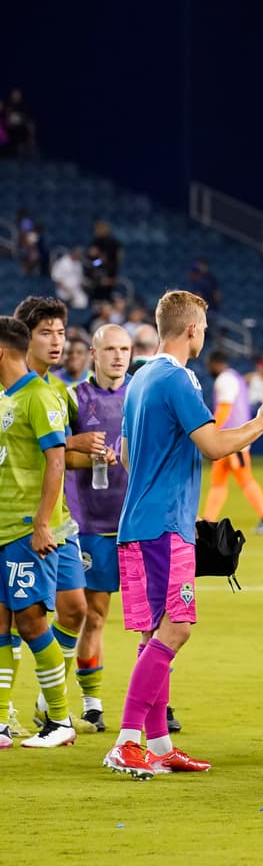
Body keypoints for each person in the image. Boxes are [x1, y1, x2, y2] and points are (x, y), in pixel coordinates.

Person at [102, 290, 263, 778]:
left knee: (154, 635)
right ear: (191, 331)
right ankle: (126, 740)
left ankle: (159, 745)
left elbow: (121, 453)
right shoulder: (178, 378)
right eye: (202, 327)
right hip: (164, 525)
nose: (203, 334)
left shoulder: (140, 378)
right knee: (176, 628)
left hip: (138, 522)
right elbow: (214, 445)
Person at [14, 298, 92, 734]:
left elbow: (59, 458)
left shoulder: (59, 391)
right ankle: (10, 712)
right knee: (18, 619)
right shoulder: (14, 393)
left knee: (75, 610)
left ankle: (49, 698)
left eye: (61, 332)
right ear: (26, 337)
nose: (57, 340)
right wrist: (73, 445)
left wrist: (90, 451)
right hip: (23, 521)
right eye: (47, 332)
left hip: (59, 519)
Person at [0, 316, 79, 749]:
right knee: (1, 626)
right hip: (1, 527)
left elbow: (57, 460)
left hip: (25, 531)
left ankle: (60, 720)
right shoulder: (4, 398)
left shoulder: (39, 396)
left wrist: (43, 524)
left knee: (32, 623)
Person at [62, 325, 131, 733]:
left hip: (135, 522)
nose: (118, 356)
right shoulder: (74, 398)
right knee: (95, 614)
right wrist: (84, 450)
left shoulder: (141, 394)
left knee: (154, 619)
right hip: (90, 524)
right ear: (93, 353)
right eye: (110, 349)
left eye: (124, 349)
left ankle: (159, 702)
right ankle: (91, 704)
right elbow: (55, 451)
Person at [200, 351, 263, 534]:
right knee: (219, 481)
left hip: (232, 441)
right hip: (231, 439)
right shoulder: (235, 378)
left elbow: (225, 410)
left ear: (216, 364)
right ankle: (208, 522)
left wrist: (209, 431)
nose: (209, 369)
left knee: (245, 480)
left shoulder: (224, 380)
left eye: (210, 365)